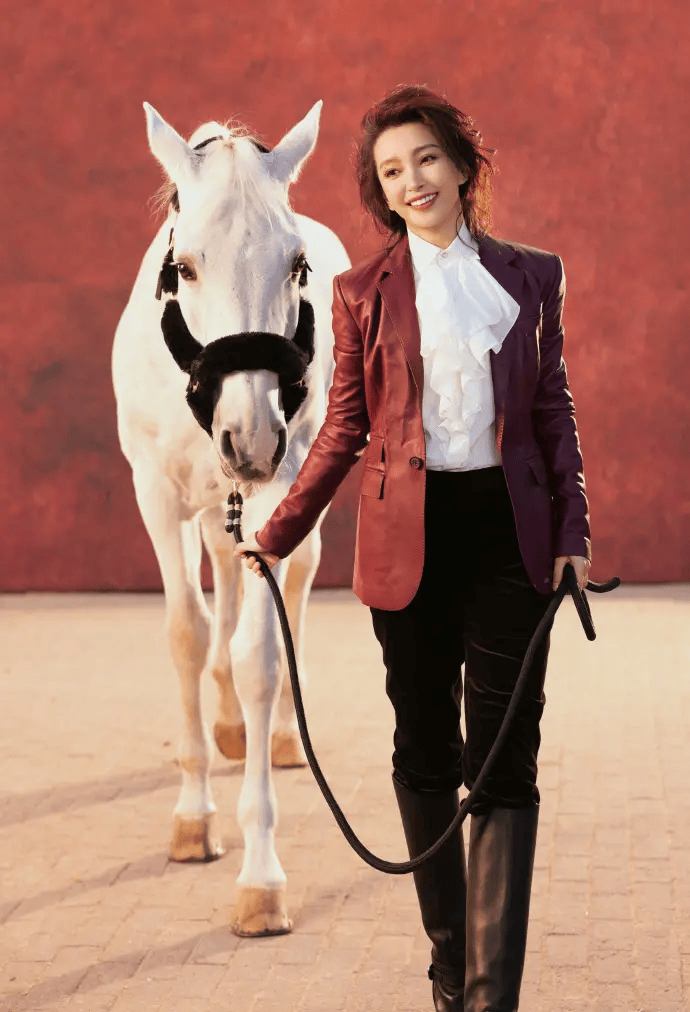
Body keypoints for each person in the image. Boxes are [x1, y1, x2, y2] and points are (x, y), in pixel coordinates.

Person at [235, 84, 591, 1012]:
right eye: (392, 170)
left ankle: (490, 999)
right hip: (408, 543)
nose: (413, 180)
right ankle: (451, 968)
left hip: (511, 537)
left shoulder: (532, 277)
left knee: (504, 762)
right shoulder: (361, 294)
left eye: (427, 157)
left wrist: (575, 532)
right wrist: (277, 534)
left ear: (464, 166)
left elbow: (551, 409)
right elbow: (343, 429)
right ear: (381, 191)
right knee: (425, 750)